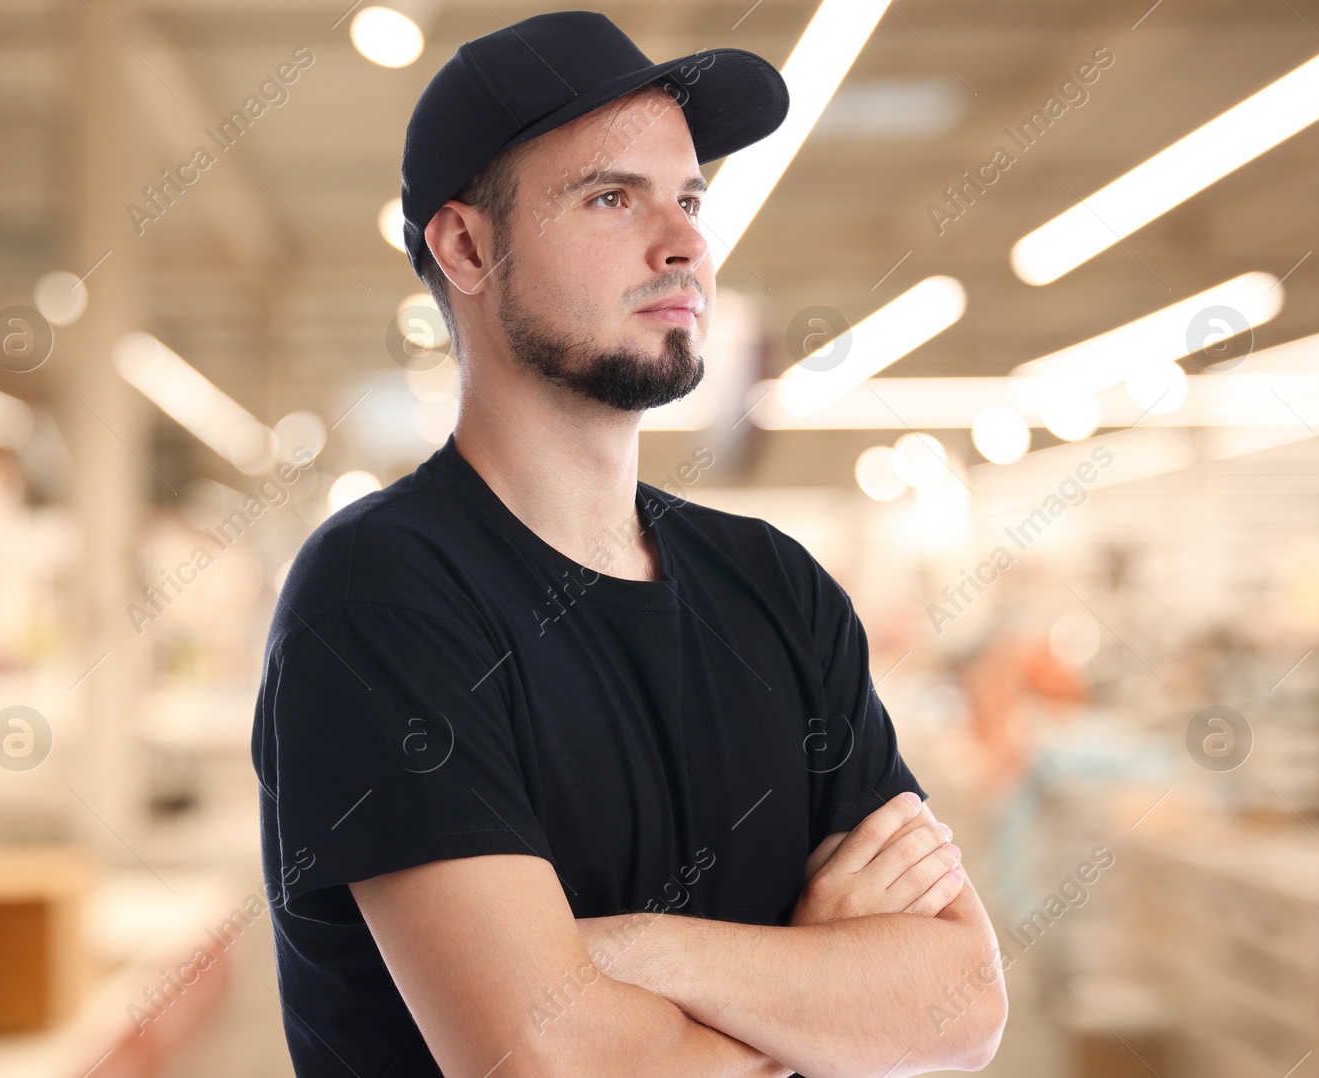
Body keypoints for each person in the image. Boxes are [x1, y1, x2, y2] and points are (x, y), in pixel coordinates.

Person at [251, 11, 1005, 1076]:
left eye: (690, 197)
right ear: (465, 247)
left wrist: (633, 954)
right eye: (613, 196)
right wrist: (819, 992)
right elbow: (551, 1065)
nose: (686, 240)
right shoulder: (382, 597)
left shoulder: (776, 590)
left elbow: (962, 1001)